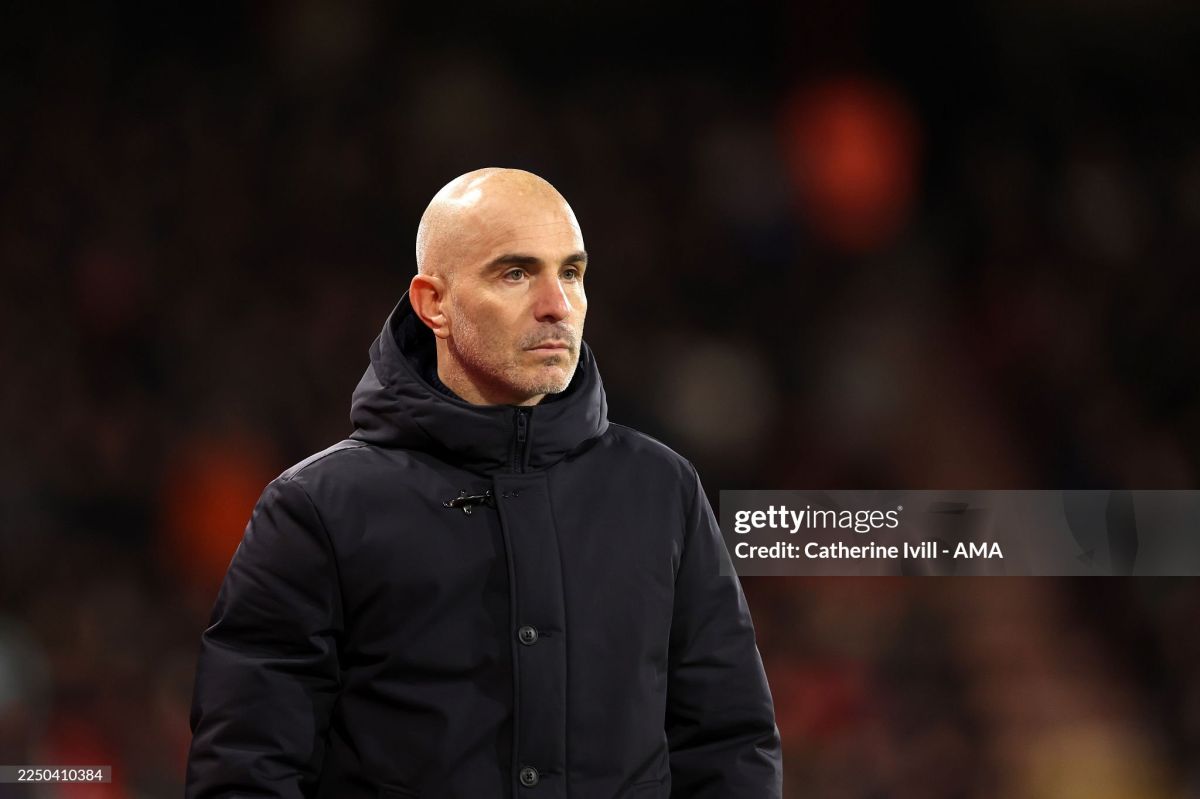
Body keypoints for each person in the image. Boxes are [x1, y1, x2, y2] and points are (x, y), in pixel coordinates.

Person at [186, 168, 782, 798]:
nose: (556, 305)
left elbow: (727, 744)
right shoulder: (317, 509)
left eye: (571, 273)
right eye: (516, 273)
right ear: (434, 304)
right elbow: (248, 768)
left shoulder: (661, 489)